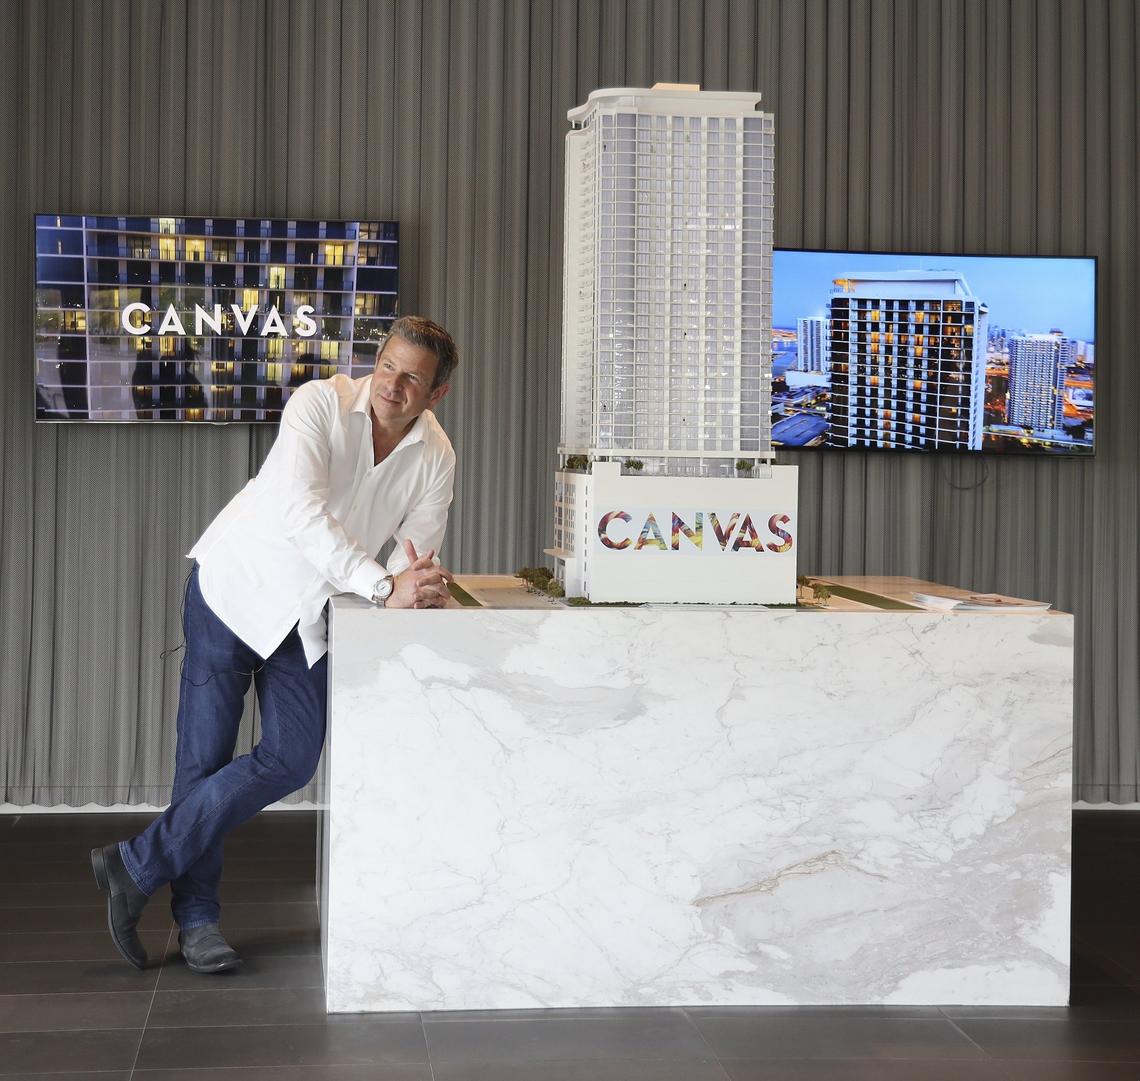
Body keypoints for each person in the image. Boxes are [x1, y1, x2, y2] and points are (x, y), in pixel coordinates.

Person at [91, 315, 459, 973]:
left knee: (292, 755)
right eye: (387, 366)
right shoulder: (317, 404)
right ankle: (198, 920)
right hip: (235, 590)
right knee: (202, 761)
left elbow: (417, 559)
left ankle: (132, 863)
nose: (393, 385)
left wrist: (421, 587)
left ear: (436, 395)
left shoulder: (436, 457)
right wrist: (384, 586)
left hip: (310, 613)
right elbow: (302, 517)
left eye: (412, 379)